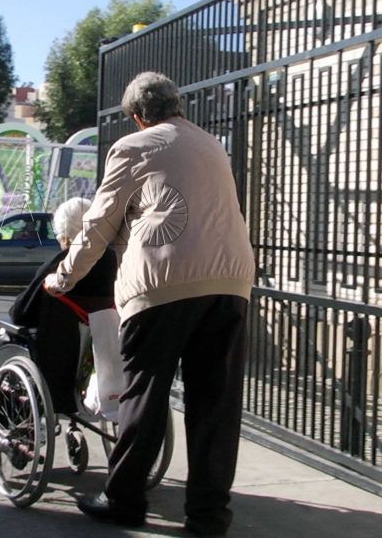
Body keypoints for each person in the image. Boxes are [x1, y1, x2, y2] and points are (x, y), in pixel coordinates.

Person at [44, 71, 255, 535]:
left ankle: (124, 499)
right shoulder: (212, 145)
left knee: (145, 394)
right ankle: (209, 515)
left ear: (138, 117)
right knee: (215, 405)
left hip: (161, 285)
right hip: (231, 282)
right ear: (177, 105)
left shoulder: (133, 147)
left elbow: (98, 223)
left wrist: (62, 278)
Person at [9, 197, 116, 415]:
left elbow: (20, 313)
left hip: (59, 362)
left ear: (64, 234)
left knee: (6, 337)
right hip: (103, 353)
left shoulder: (61, 265)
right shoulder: (113, 260)